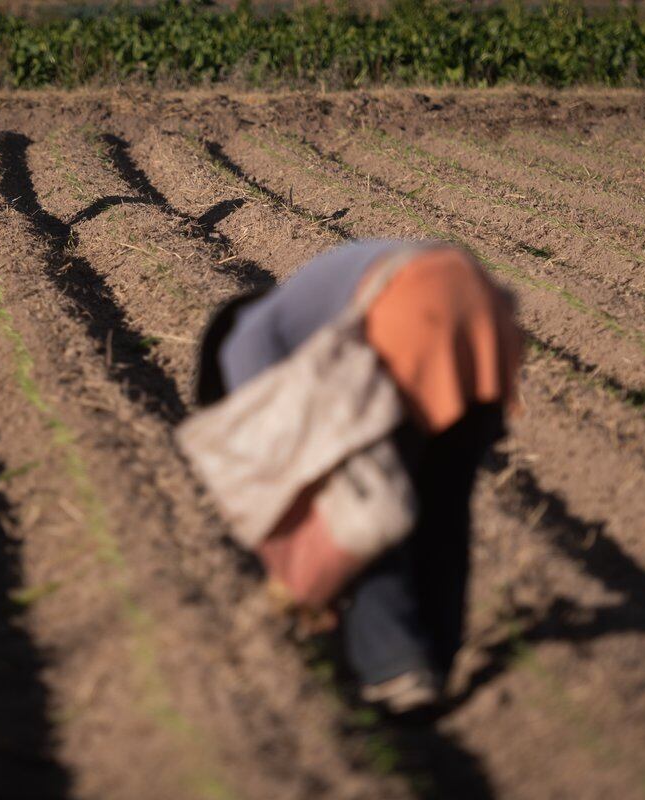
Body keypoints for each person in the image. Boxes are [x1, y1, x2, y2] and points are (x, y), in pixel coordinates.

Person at [178, 240, 523, 713]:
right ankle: (437, 658)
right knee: (443, 508)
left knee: (362, 504)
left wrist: (301, 567)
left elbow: (286, 473)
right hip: (483, 311)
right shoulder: (302, 307)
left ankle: (396, 667)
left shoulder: (244, 341)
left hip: (414, 313)